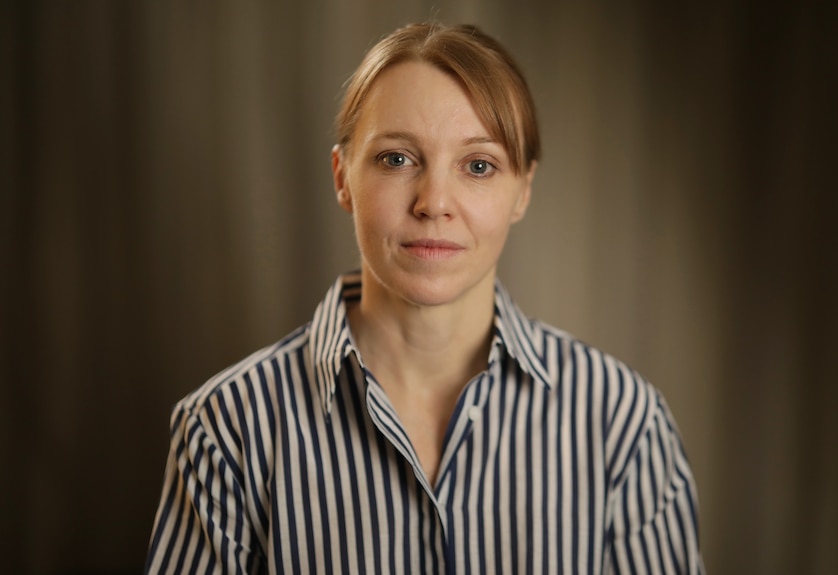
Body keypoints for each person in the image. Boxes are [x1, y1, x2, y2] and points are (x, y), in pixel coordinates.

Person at [145, 22, 704, 574]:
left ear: (523, 192)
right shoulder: (226, 429)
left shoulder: (622, 423)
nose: (434, 202)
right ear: (342, 178)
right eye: (396, 159)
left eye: (479, 166)